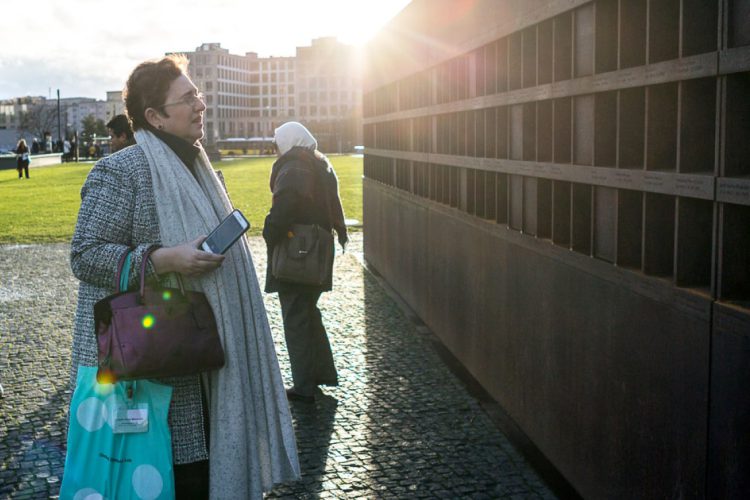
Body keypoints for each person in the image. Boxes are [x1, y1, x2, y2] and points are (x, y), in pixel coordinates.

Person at [69, 55, 299, 499]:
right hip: (151, 371)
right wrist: (163, 259)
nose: (200, 105)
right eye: (187, 98)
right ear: (154, 116)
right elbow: (85, 255)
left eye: (198, 94)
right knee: (167, 480)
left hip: (203, 359)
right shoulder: (121, 171)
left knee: (197, 477)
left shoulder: (199, 167)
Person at [262, 122, 348, 403]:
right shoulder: (319, 164)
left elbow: (283, 208)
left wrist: (269, 232)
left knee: (296, 318)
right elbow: (335, 207)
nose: (276, 150)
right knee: (309, 314)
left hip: (298, 254)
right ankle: (319, 375)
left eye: (277, 144)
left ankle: (304, 386)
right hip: (319, 252)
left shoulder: (294, 166)